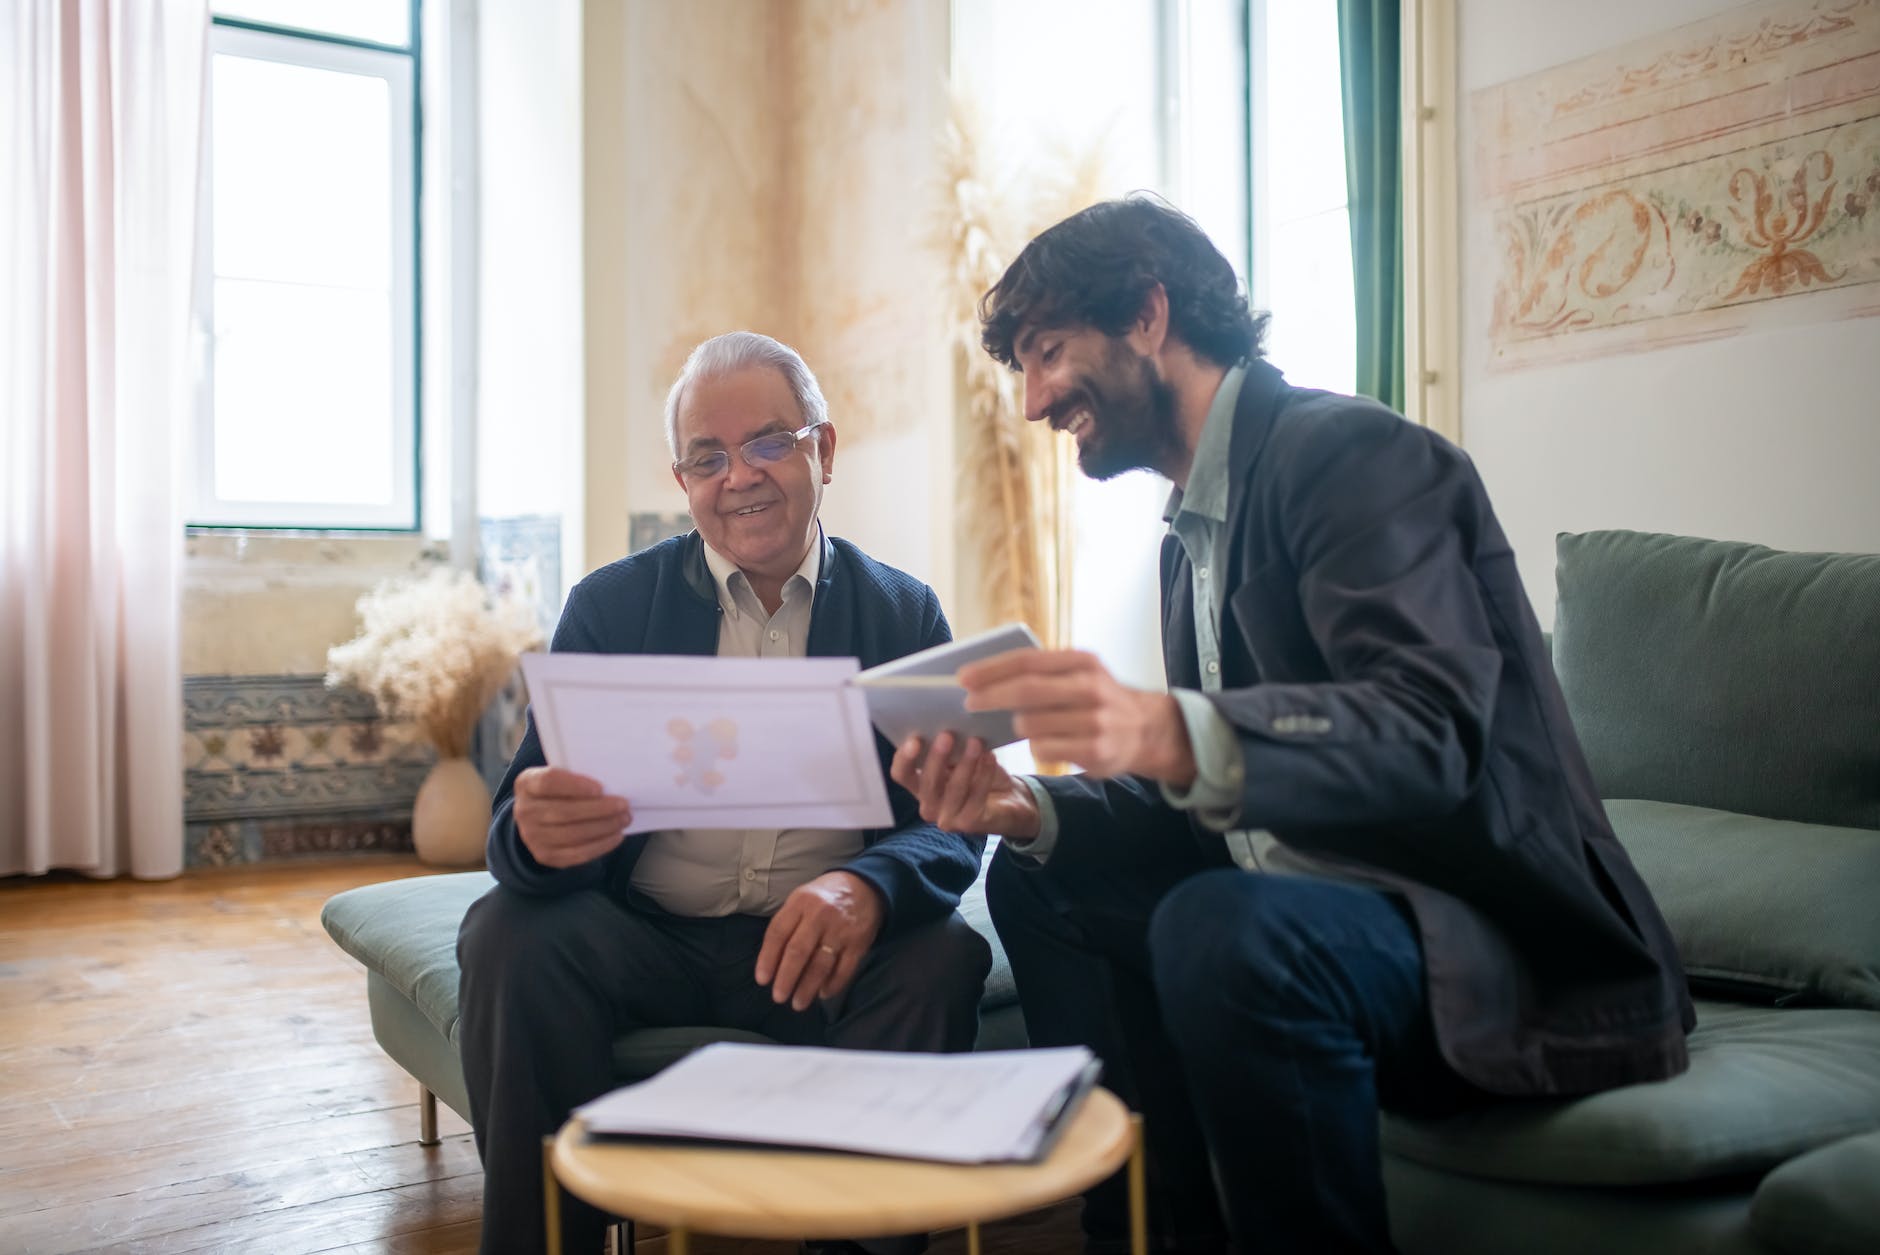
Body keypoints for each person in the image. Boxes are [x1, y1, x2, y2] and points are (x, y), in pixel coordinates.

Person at [890, 196, 1692, 1255]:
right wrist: (1026, 808)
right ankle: (1154, 1237)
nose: (1034, 400)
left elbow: (1429, 730)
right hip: (1316, 926)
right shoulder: (1189, 539)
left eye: (1046, 352)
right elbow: (1221, 816)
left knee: (1222, 926)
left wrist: (1172, 729)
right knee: (1042, 879)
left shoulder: (1348, 457)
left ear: (1146, 314)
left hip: (1485, 941)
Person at [459, 331, 991, 1255]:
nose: (739, 476)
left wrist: (866, 887)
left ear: (824, 450)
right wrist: (536, 835)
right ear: (684, 480)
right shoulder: (611, 608)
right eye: (708, 457)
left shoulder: (903, 613)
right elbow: (516, 819)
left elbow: (949, 826)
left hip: (822, 944)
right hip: (645, 938)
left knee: (941, 955)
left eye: (769, 443)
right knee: (507, 932)